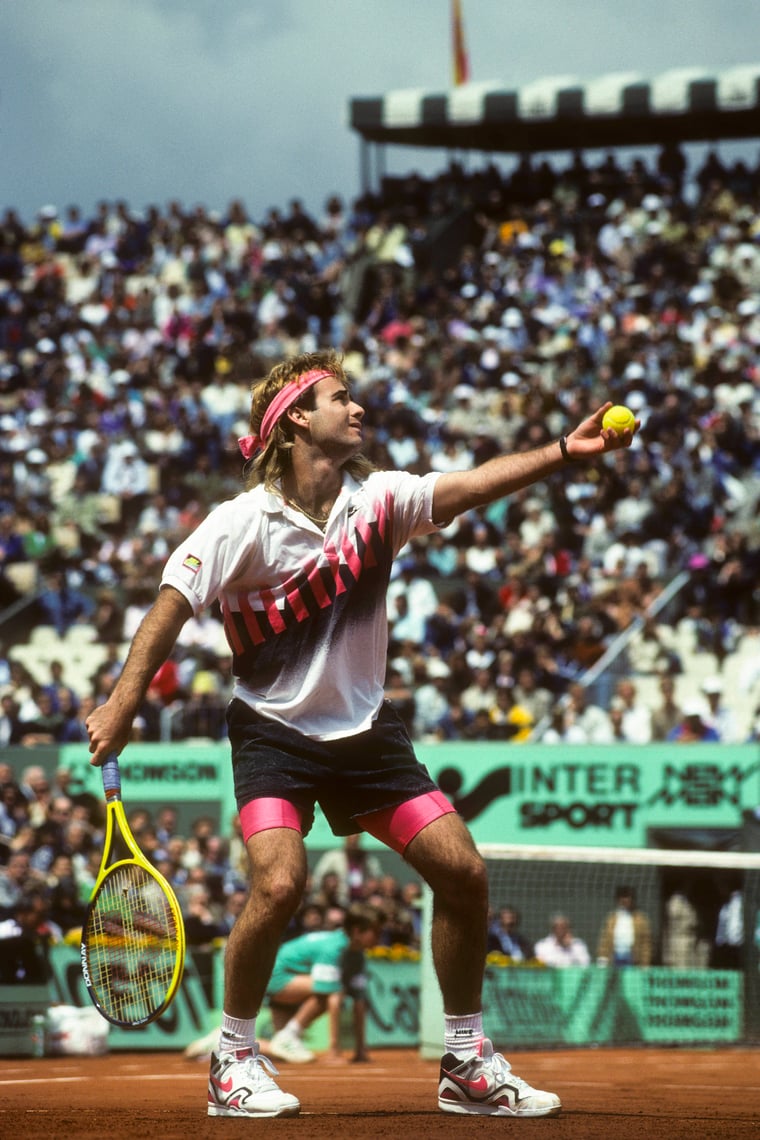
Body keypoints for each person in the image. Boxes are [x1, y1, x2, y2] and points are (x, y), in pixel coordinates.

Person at [86, 349, 635, 1119]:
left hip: (367, 738)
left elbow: (471, 486)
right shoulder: (240, 524)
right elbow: (169, 606)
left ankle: (466, 1060)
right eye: (342, 398)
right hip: (274, 735)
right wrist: (123, 702)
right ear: (297, 419)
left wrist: (561, 454)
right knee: (279, 883)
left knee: (464, 874)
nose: (359, 408)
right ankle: (234, 1057)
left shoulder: (380, 500)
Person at [266, 901, 380, 1065]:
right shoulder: (333, 948)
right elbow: (332, 995)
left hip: (295, 980)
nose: (380, 936)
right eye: (376, 931)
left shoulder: (358, 955)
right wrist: (334, 1050)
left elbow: (359, 1002)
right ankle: (291, 1034)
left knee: (281, 1050)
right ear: (357, 931)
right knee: (333, 989)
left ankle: (220, 1040)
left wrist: (360, 1050)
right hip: (275, 977)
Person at [595, 886, 652, 967]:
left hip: (632, 958)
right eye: (622, 897)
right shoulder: (611, 918)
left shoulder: (641, 919)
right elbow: (605, 939)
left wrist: (645, 963)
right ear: (618, 899)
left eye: (627, 897)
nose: (625, 900)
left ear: (632, 899)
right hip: (614, 956)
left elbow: (646, 943)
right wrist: (602, 958)